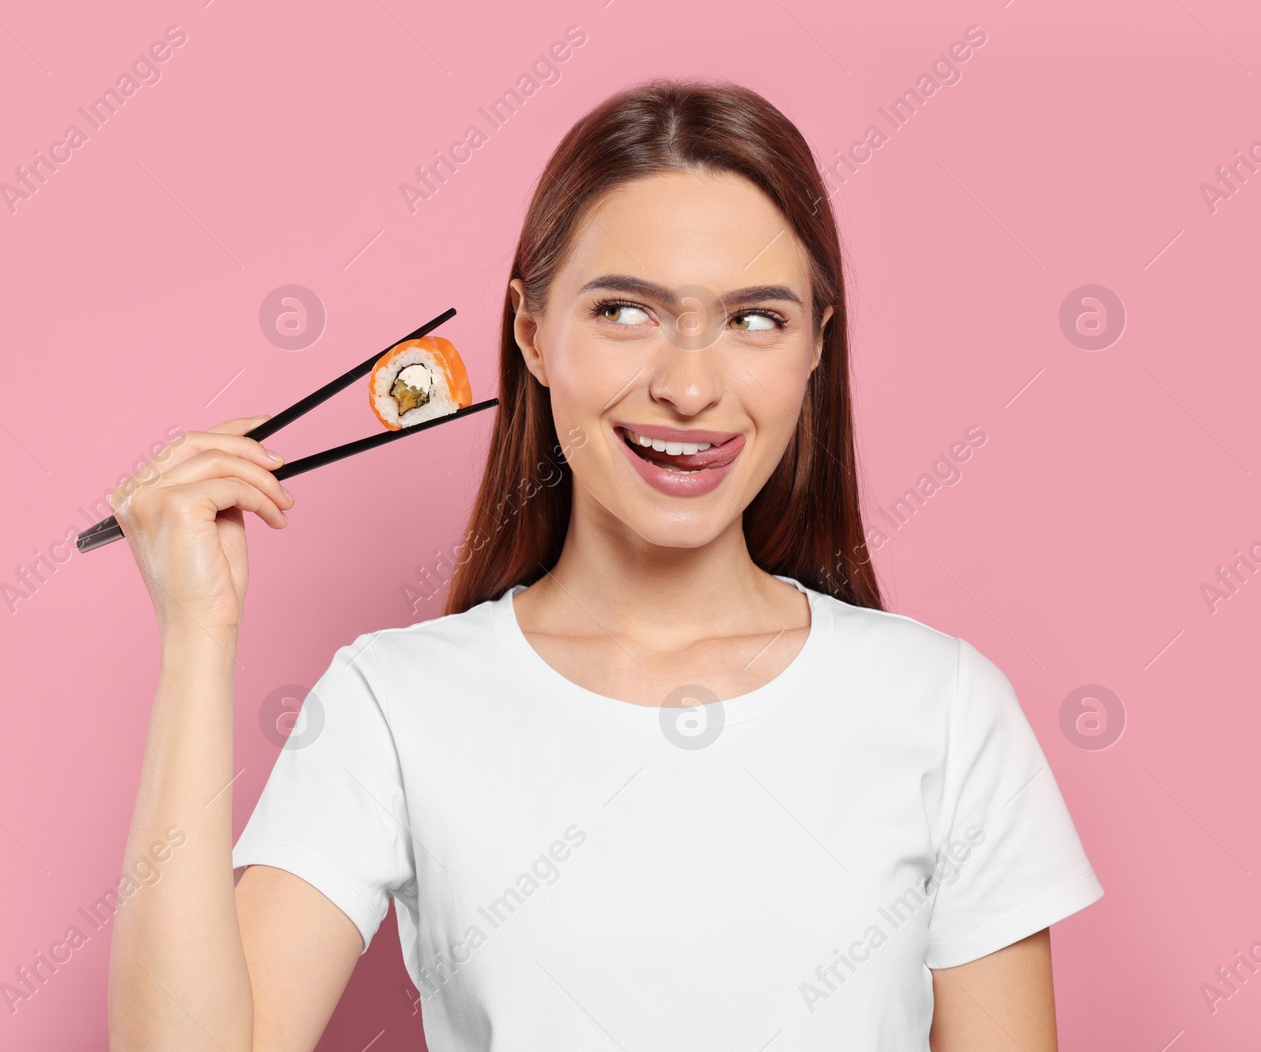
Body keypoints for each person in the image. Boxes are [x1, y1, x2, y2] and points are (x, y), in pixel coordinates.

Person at [105, 79, 1103, 1052]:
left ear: (813, 349)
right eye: (627, 310)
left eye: (755, 319)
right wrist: (198, 634)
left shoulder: (943, 706)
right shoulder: (393, 701)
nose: (687, 384)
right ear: (533, 334)